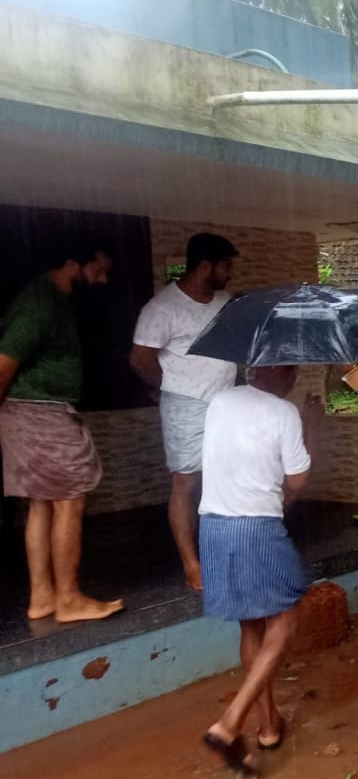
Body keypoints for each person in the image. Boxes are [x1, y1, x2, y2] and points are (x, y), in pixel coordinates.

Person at [198, 364, 320, 774]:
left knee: (251, 626)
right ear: (282, 374)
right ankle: (231, 720)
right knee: (285, 620)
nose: (295, 376)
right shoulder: (284, 412)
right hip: (256, 529)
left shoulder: (220, 401)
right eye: (292, 369)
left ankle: (269, 727)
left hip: (213, 527)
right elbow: (297, 481)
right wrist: (310, 428)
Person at [0, 241, 124, 623]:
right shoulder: (40, 304)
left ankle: (43, 597)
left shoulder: (53, 299)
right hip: (40, 414)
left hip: (30, 413)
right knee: (70, 499)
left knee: (41, 502)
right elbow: (3, 363)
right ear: (72, 262)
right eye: (97, 270)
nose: (102, 280)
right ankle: (69, 599)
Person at [130, 233, 239, 591]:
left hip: (225, 403)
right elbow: (141, 360)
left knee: (225, 479)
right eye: (226, 265)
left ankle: (223, 553)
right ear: (205, 266)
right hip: (186, 405)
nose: (230, 273)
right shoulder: (162, 309)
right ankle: (192, 565)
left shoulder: (224, 302)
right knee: (186, 483)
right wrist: (170, 387)